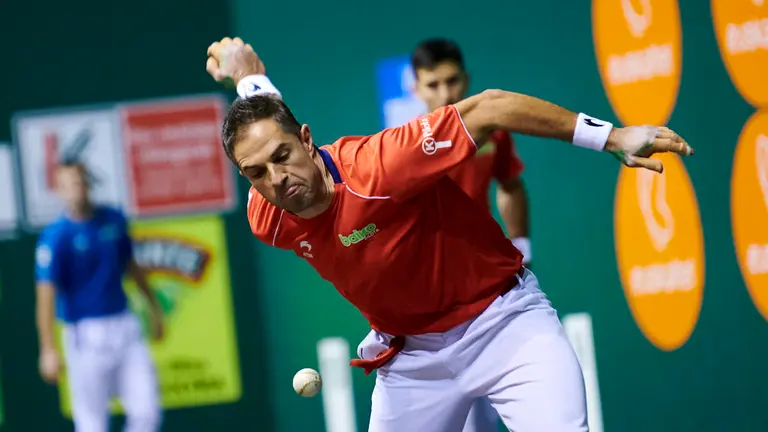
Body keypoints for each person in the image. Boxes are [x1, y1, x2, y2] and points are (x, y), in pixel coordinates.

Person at [205, 36, 692, 431]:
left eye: (284, 157)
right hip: (413, 361)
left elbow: (493, 108)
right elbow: (268, 132)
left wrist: (612, 136)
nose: (275, 178)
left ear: (308, 142)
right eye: (256, 173)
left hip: (505, 326)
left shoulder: (381, 165)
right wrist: (248, 73)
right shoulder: (267, 215)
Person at [410, 37, 529, 432]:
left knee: (498, 407)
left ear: (467, 79)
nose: (445, 94)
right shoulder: (402, 147)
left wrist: (521, 244)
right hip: (430, 302)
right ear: (416, 88)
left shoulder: (492, 133)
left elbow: (510, 185)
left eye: (452, 81)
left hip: (488, 286)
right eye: (433, 85)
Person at [34, 162, 164, 432]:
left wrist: (154, 310)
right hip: (84, 336)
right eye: (68, 185)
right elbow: (45, 297)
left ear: (88, 184)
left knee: (147, 412)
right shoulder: (55, 237)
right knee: (92, 423)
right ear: (59, 191)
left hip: (125, 326)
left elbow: (133, 268)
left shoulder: (113, 219)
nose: (76, 190)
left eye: (79, 182)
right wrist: (48, 349)